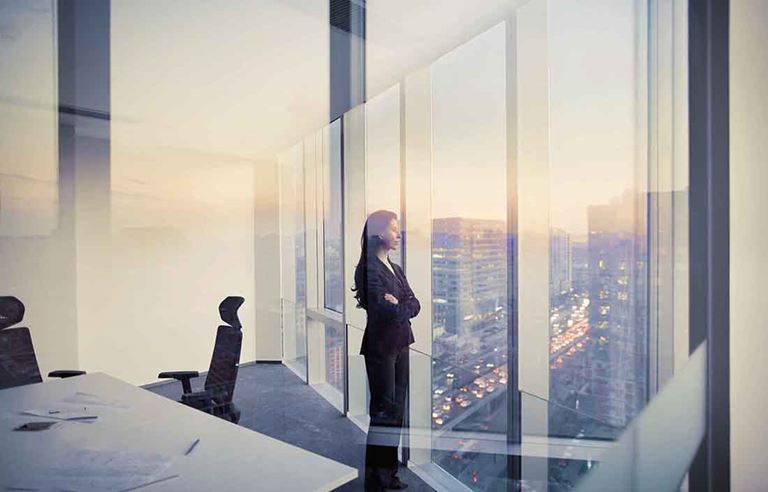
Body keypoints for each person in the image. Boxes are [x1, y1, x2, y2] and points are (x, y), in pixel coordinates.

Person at [352, 210, 420, 491]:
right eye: (394, 229)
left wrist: (399, 305)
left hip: (401, 344)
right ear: (379, 233)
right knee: (382, 413)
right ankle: (375, 481)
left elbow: (415, 304)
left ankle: (389, 473)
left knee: (397, 411)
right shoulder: (368, 269)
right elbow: (380, 309)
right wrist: (397, 306)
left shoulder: (396, 269)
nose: (399, 234)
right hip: (381, 347)